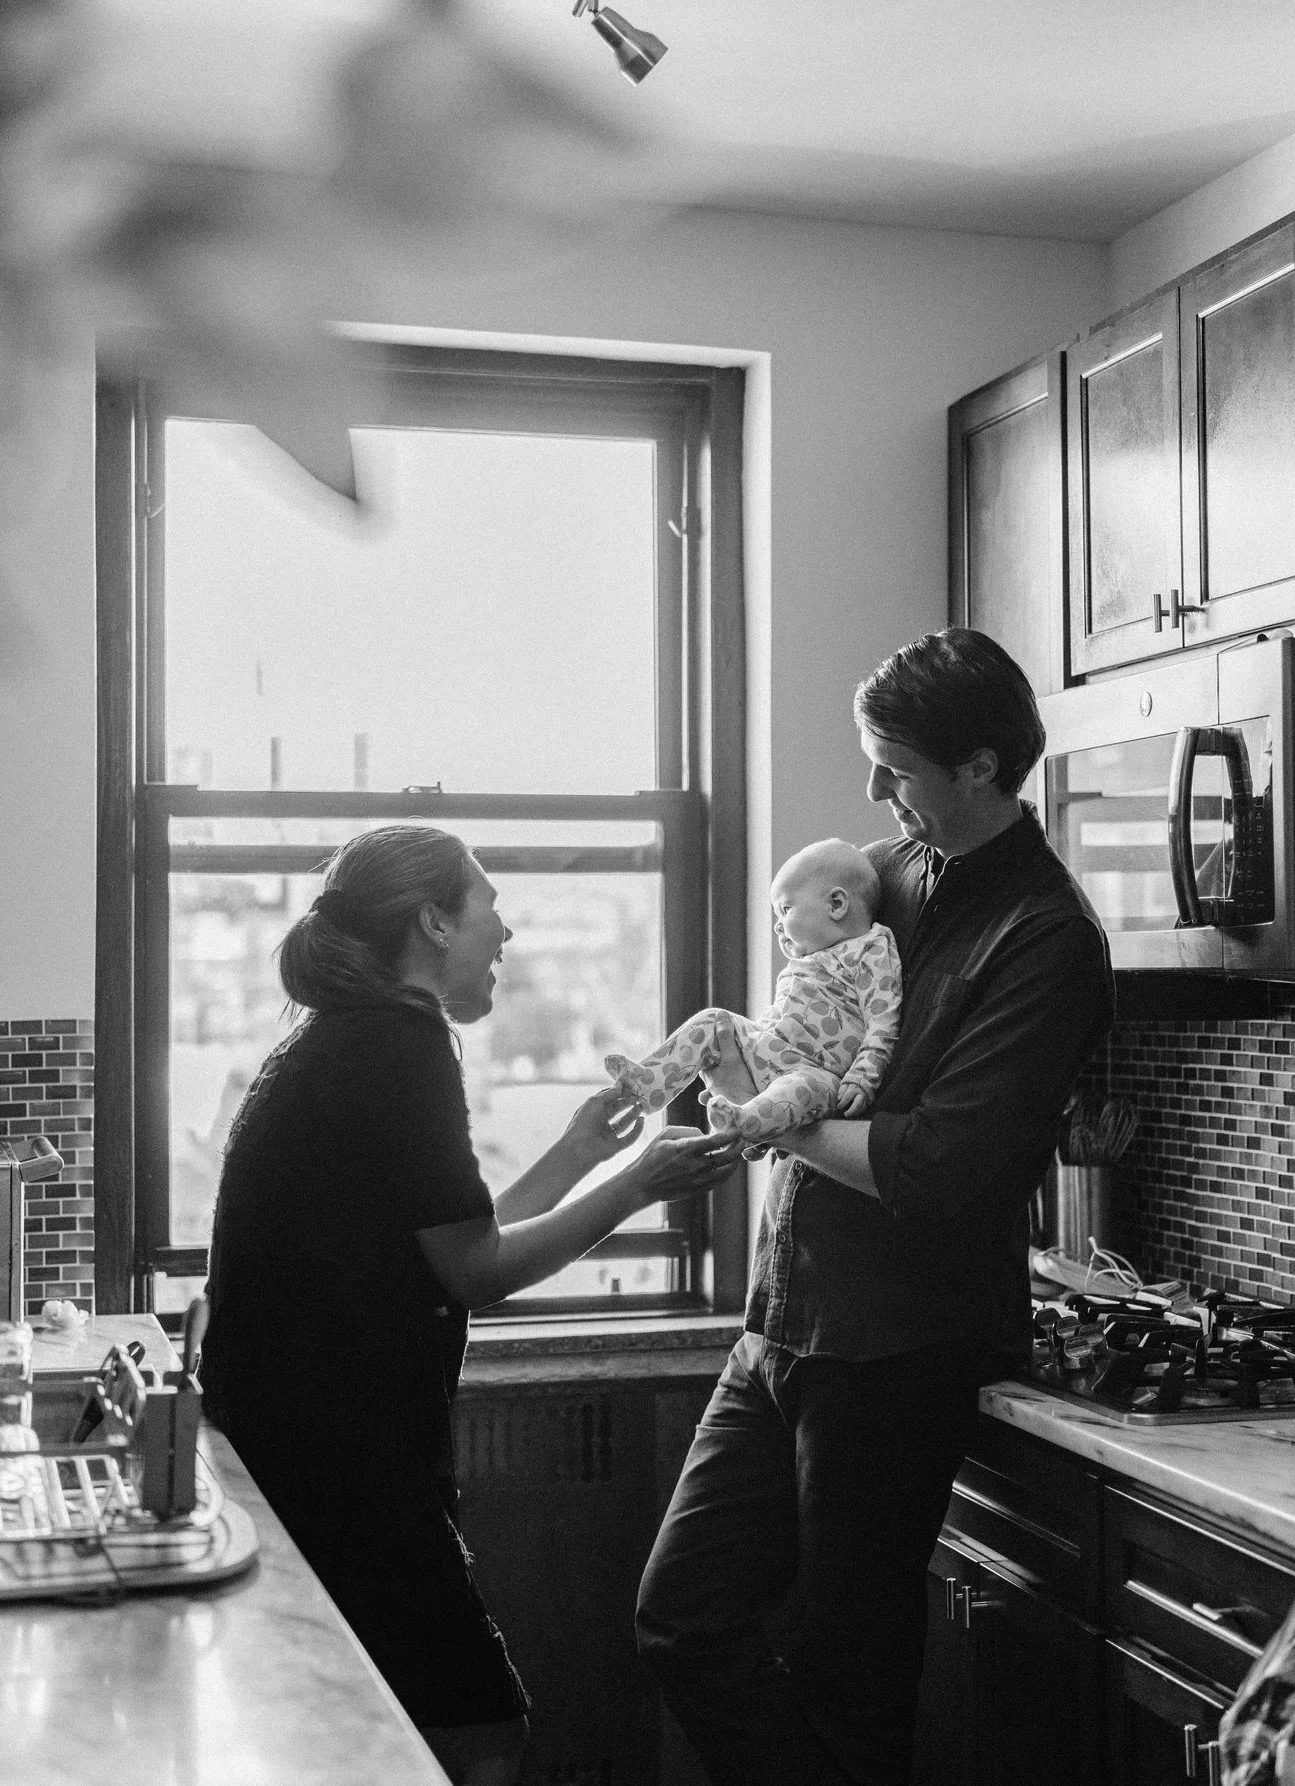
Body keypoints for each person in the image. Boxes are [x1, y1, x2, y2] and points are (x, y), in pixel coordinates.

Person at [634, 628, 1117, 1785]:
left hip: (899, 1354)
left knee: (849, 1673)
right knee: (679, 1618)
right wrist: (741, 1072)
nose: (872, 791)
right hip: (781, 1319)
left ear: (982, 769)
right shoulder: (881, 872)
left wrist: (767, 1120)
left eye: (893, 766)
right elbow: (804, 1029)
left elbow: (938, 1164)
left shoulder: (1048, 940)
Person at [198, 824, 746, 1786]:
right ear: (434, 921)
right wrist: (636, 1189)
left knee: (372, 1730)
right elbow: (475, 1271)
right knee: (481, 1736)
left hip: (306, 1451)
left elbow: (454, 1233)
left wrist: (586, 1150)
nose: (508, 933)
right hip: (342, 1466)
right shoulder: (402, 1046)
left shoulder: (347, 1039)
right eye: (491, 907)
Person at [604, 838, 903, 1140]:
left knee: (799, 1091)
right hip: (769, 1046)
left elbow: (883, 1020)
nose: (777, 925)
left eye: (785, 909)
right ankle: (648, 1085)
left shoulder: (870, 948)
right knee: (713, 1020)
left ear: (836, 904)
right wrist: (747, 1048)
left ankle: (744, 1120)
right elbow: (779, 1016)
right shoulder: (806, 962)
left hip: (817, 1072)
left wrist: (864, 1075)